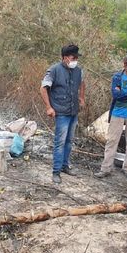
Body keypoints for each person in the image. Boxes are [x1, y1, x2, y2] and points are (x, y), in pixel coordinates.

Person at [94, 54, 127, 179]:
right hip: (118, 112)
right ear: (125, 65)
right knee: (112, 140)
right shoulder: (117, 77)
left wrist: (123, 92)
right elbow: (115, 95)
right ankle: (105, 168)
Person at [40, 44, 85, 184]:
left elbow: (82, 84)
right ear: (65, 58)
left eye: (77, 57)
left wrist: (82, 98)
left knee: (69, 141)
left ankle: (65, 166)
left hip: (73, 112)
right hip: (61, 112)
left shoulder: (78, 71)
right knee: (59, 142)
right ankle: (56, 171)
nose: (76, 60)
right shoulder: (54, 70)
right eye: (73, 57)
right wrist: (49, 107)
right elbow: (43, 88)